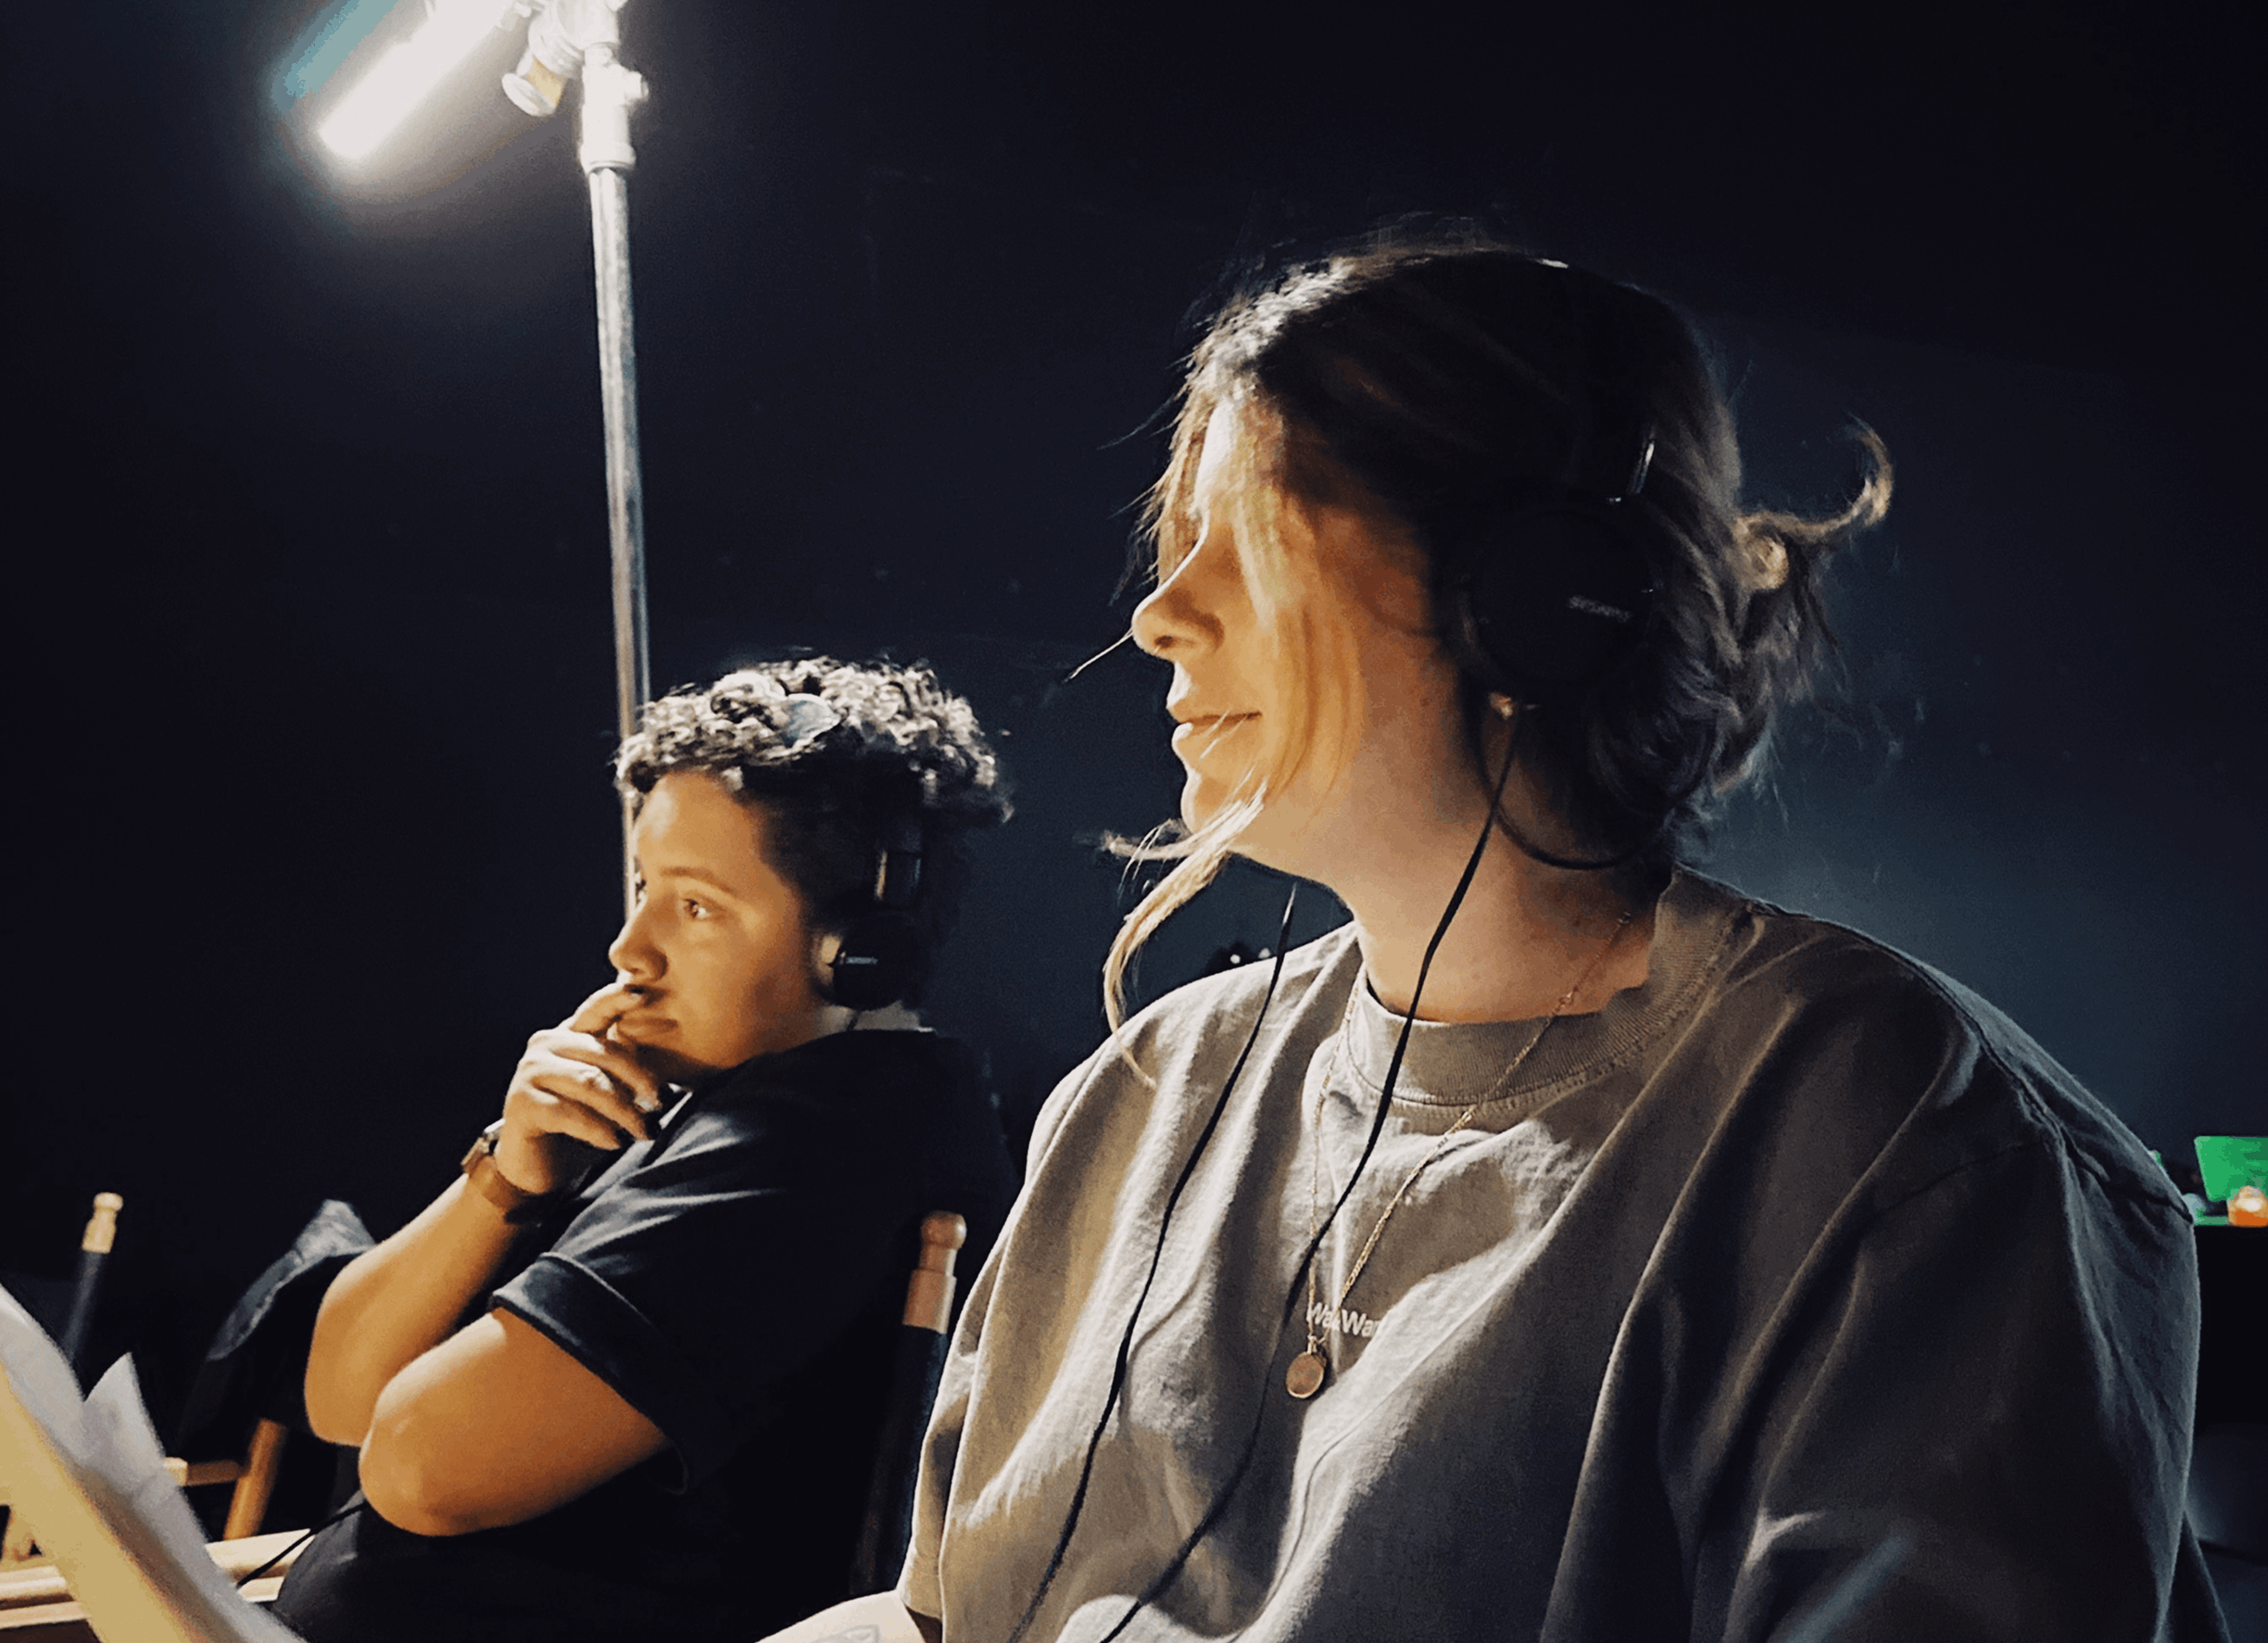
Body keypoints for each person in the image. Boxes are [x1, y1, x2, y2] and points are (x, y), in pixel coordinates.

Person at [770, 237, 2226, 1642]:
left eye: (1248, 536)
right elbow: (937, 1616)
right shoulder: (1140, 1094)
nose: (1160, 613)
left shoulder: (1912, 1147)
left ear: (1530, 604)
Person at [274, 657, 1017, 1643]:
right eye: (643, 887)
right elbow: (337, 1397)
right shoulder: (709, 1097)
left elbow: (420, 1466)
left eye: (697, 906)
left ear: (858, 953)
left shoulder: (826, 1138)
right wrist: (507, 1176)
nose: (630, 950)